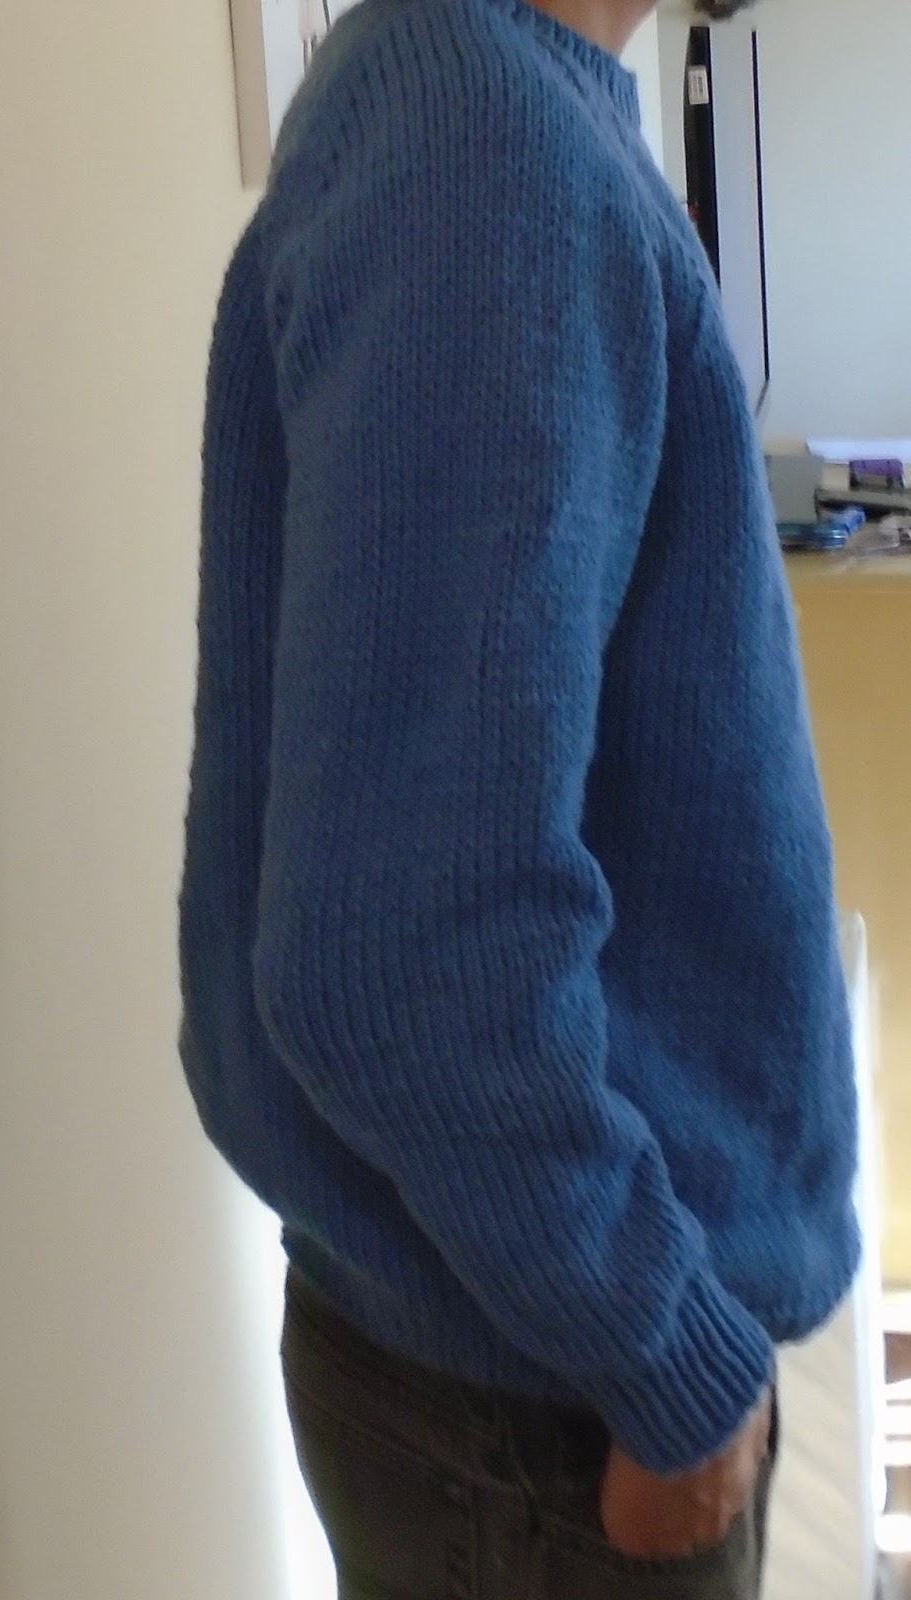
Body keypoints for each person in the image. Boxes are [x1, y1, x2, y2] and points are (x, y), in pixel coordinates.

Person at [177, 0, 860, 1591]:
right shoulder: (484, 149)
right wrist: (665, 1355)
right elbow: (398, 956)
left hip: (511, 1375)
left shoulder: (487, 111)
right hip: (550, 1415)